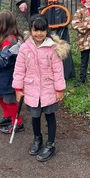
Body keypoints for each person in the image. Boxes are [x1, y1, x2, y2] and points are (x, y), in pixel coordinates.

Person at [12, 14, 69, 162]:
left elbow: (58, 70)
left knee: (50, 116)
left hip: (48, 88)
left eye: (42, 30)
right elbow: (19, 69)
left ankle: (50, 144)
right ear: (31, 30)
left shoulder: (52, 48)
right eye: (35, 30)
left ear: (46, 31)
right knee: (35, 116)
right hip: (31, 88)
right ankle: (37, 139)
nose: (39, 34)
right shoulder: (25, 48)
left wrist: (59, 89)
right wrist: (18, 88)